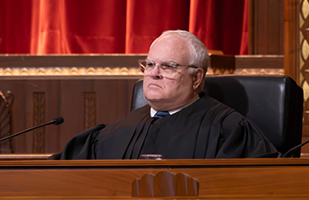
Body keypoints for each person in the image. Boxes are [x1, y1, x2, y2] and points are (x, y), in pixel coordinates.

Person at [49, 30, 277, 160]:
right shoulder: (115, 131)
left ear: (196, 78)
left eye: (167, 66)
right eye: (149, 64)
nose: (154, 74)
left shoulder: (229, 130)